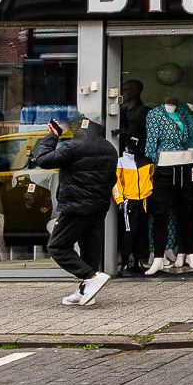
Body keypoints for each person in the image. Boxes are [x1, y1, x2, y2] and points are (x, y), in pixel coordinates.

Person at [28, 112, 118, 307]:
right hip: (99, 206)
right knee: (90, 250)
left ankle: (91, 277)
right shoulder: (110, 149)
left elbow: (43, 160)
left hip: (75, 206)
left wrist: (53, 135)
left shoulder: (73, 147)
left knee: (57, 247)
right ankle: (86, 292)